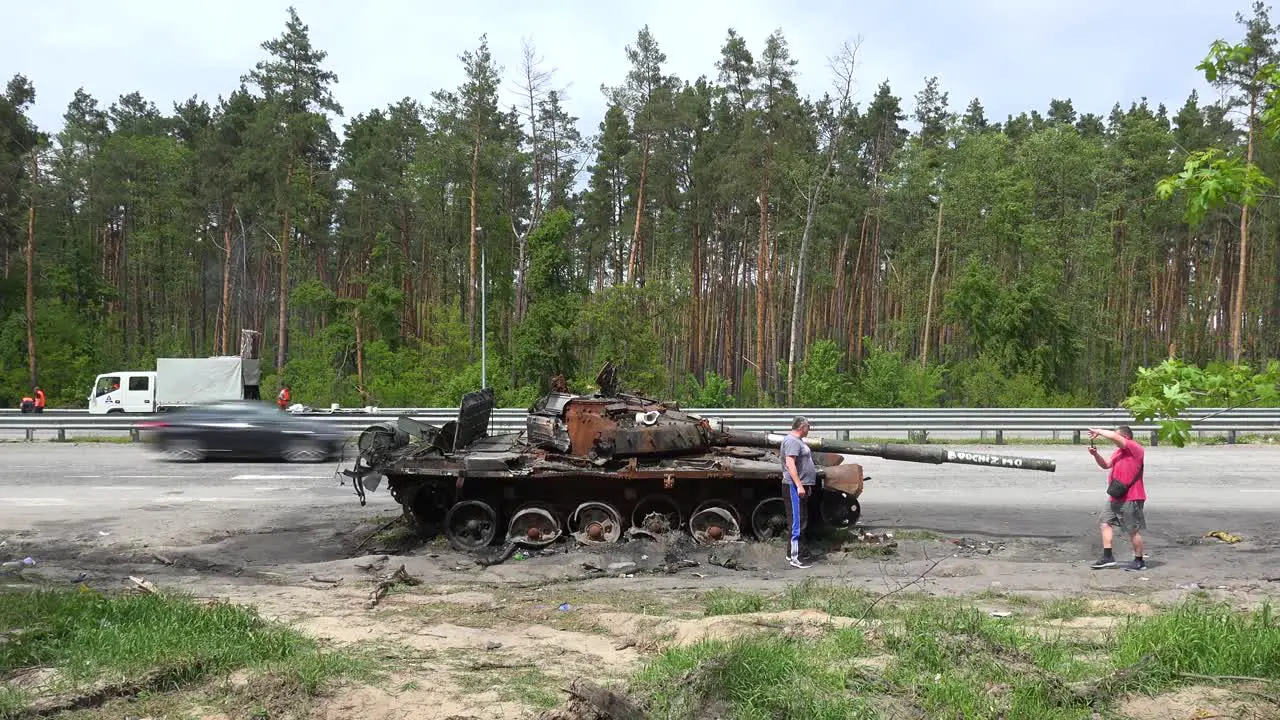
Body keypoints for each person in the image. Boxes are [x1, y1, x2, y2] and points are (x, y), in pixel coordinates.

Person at [1086, 425, 1147, 571]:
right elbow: (1106, 465)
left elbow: (1114, 437)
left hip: (1132, 496)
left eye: (1117, 436)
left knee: (1132, 529)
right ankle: (1108, 557)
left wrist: (1098, 431)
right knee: (1105, 522)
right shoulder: (1119, 452)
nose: (1114, 439)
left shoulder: (1135, 448)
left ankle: (1139, 561)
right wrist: (1096, 455)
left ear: (1125, 437)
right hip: (1116, 495)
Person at [781, 416, 817, 569]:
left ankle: (794, 553)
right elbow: (790, 464)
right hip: (794, 487)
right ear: (802, 427)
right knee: (797, 522)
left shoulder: (798, 441)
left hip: (801, 486)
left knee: (802, 519)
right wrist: (799, 485)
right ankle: (795, 558)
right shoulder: (792, 442)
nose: (809, 429)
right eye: (808, 427)